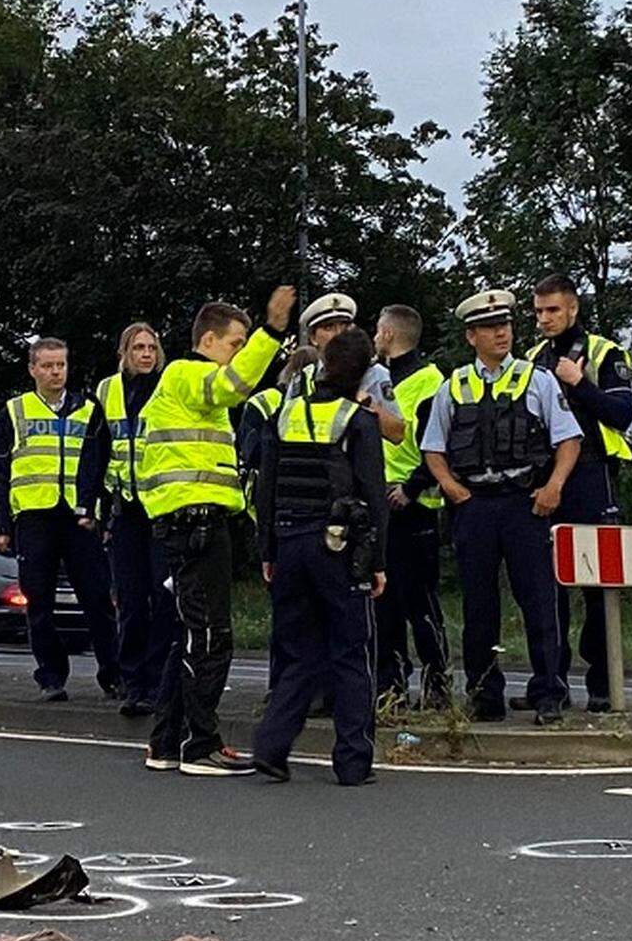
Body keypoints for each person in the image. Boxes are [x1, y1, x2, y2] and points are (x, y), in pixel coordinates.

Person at [131, 283, 294, 774]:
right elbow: (231, 386)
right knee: (209, 637)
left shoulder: (189, 392)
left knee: (188, 637)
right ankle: (199, 746)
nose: (238, 356)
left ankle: (166, 743)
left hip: (189, 521)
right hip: (196, 522)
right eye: (235, 345)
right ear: (208, 341)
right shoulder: (187, 374)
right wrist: (271, 331)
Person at [423, 288, 582, 724]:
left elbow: (568, 439)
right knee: (479, 606)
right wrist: (451, 488)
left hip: (524, 504)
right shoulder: (453, 386)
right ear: (471, 335)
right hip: (474, 507)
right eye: (492, 327)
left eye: (506, 324)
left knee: (540, 602)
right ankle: (483, 695)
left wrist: (554, 486)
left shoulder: (537, 380)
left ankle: (549, 693)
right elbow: (432, 447)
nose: (502, 333)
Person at [248, 330, 388, 785]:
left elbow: (266, 487)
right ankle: (352, 762)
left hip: (289, 542)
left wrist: (267, 549)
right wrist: (378, 561)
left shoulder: (285, 414)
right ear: (364, 371)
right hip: (338, 546)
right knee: (351, 652)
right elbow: (373, 495)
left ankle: (271, 746)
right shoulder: (358, 420)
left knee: (298, 652)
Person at [0, 337, 121, 704]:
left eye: (61, 365)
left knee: (97, 599)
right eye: (47, 366)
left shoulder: (88, 410)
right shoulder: (15, 410)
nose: (56, 372)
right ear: (32, 369)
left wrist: (98, 512)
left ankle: (114, 674)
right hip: (34, 517)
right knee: (39, 603)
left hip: (79, 519)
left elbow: (100, 464)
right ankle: (51, 677)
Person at [528, 276, 632, 711]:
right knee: (547, 586)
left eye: (552, 310)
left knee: (598, 585)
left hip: (594, 476)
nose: (544, 319)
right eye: (538, 312)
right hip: (547, 476)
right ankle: (552, 685)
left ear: (572, 309)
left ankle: (602, 685)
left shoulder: (605, 353)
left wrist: (580, 384)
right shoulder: (534, 360)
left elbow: (622, 414)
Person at [75, 323, 174, 720]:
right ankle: (134, 684)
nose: (146, 354)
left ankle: (158, 680)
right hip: (126, 510)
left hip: (162, 507)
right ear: (125, 352)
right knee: (131, 601)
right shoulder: (106, 391)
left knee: (164, 598)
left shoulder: (169, 387)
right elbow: (94, 450)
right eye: (138, 347)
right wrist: (86, 505)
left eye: (152, 347)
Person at [369, 304, 452, 707]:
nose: (373, 337)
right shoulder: (380, 379)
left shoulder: (428, 382)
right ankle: (392, 687)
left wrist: (413, 487)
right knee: (383, 604)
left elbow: (436, 442)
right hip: (380, 503)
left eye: (376, 331)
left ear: (387, 334)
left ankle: (437, 684)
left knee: (420, 602)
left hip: (413, 504)